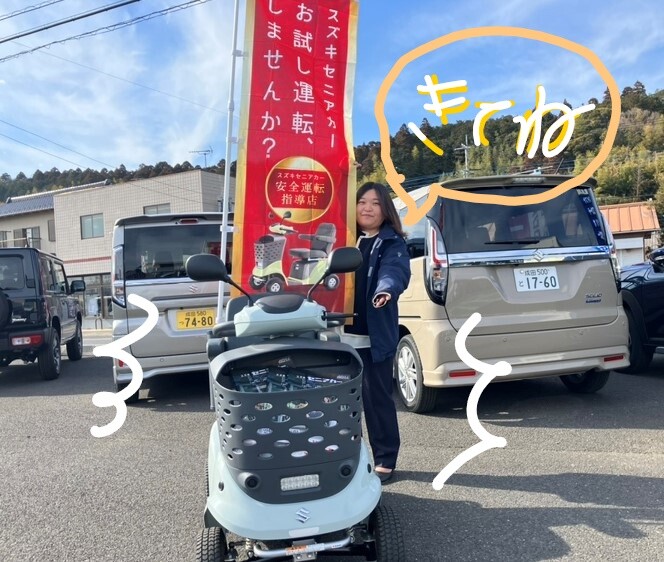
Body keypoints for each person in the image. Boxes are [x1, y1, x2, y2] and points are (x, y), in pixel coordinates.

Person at [345, 182, 410, 483]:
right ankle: (345, 458)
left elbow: (394, 272)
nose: (367, 208)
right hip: (336, 337)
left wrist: (386, 291)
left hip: (372, 338)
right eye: (362, 201)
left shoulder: (391, 243)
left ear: (386, 210)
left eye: (375, 203)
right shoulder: (341, 238)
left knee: (377, 401)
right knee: (338, 404)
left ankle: (385, 458)